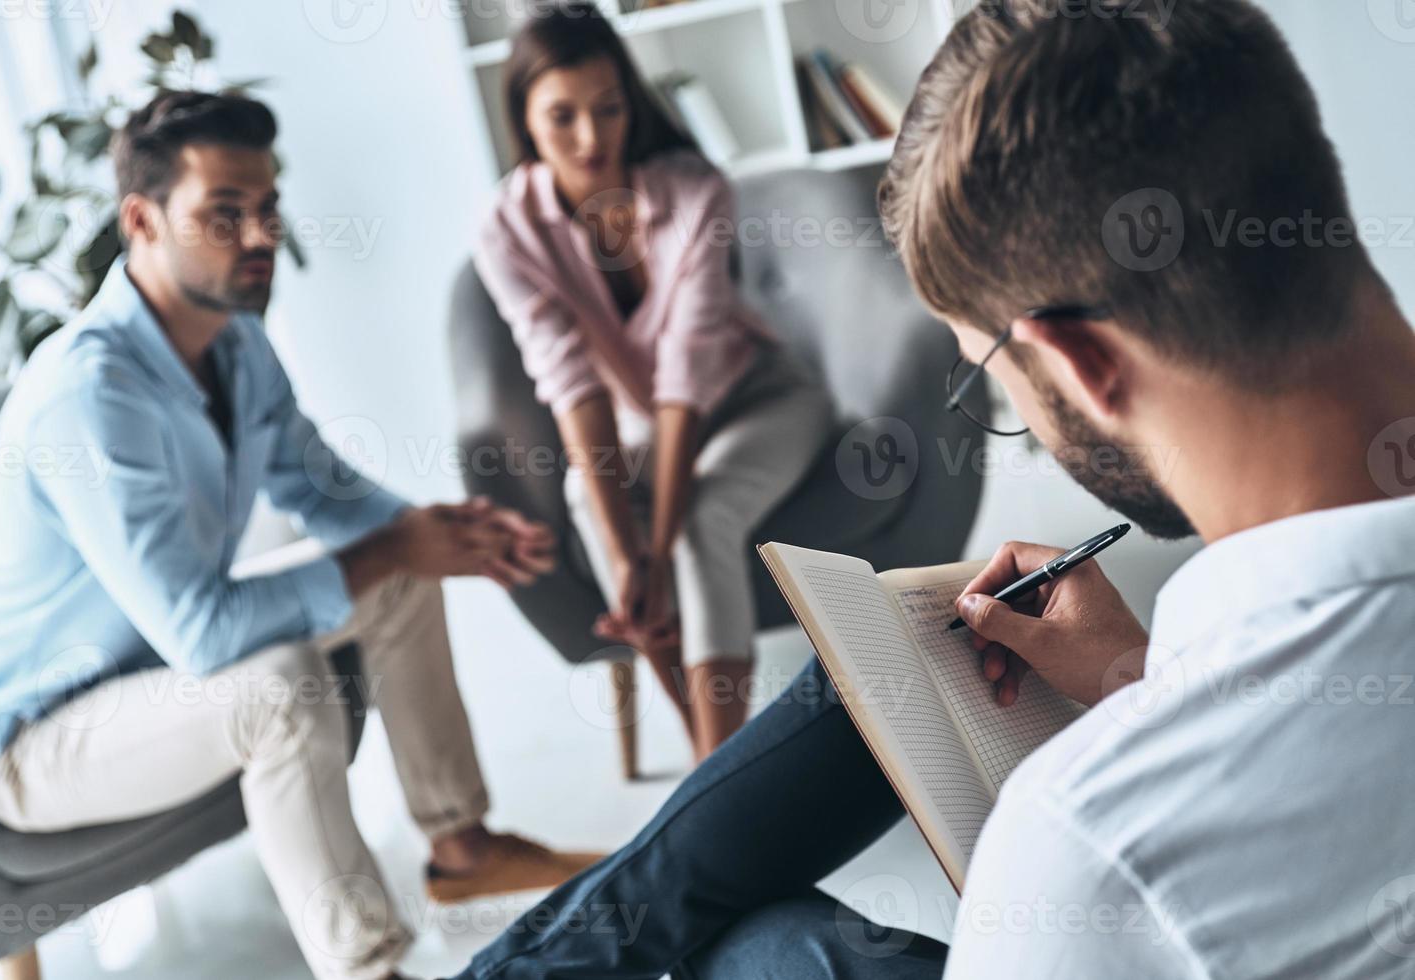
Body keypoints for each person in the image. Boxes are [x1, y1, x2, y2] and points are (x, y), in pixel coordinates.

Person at [448, 0, 1415, 976]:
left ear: (1079, 363)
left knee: (739, 937)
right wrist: (1141, 673)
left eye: (989, 378)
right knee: (854, 715)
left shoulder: (1089, 848)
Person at [0, 91, 601, 980]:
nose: (258, 237)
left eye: (266, 209)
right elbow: (204, 634)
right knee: (281, 688)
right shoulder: (89, 396)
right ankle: (369, 969)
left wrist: (437, 532)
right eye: (224, 214)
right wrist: (394, 546)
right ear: (141, 220)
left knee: (399, 575)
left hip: (146, 675)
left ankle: (463, 848)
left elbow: (317, 483)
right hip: (25, 746)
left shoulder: (235, 341)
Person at [473, 2, 833, 760]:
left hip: (760, 397)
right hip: (644, 426)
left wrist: (658, 547)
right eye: (562, 115)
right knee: (586, 495)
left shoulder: (695, 189)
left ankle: (718, 777)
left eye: (609, 108)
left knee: (700, 520)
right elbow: (572, 387)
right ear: (524, 120)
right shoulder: (505, 230)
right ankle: (714, 765)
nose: (591, 137)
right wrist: (629, 555)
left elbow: (685, 380)